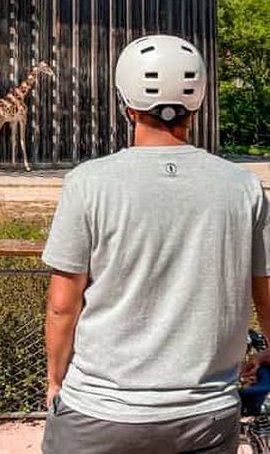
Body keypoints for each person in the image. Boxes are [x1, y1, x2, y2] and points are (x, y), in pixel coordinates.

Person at [41, 34, 270, 454]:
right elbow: (266, 296)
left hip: (99, 413)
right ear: (196, 106)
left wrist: (57, 379)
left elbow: (62, 304)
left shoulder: (87, 183)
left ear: (126, 104)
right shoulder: (244, 187)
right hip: (205, 415)